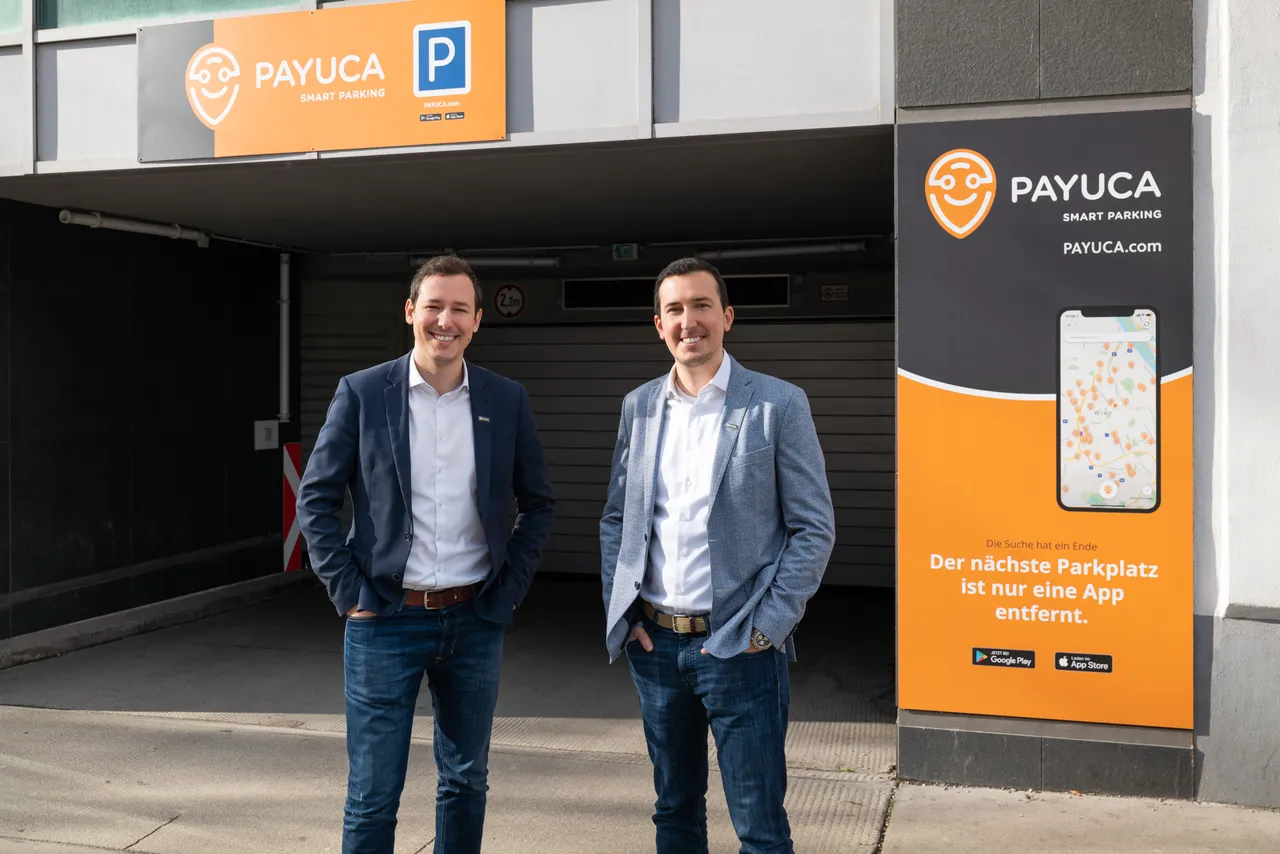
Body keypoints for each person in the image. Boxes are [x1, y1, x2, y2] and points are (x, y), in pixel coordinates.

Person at [297, 254, 555, 854]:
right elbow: (315, 499)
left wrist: (507, 592)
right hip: (384, 619)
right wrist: (349, 593)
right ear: (410, 311)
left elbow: (538, 503)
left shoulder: (506, 399)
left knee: (466, 781)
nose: (446, 320)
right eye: (434, 306)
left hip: (474, 619)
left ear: (478, 320)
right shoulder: (363, 393)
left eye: (460, 309)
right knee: (372, 793)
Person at [599, 257, 836, 854]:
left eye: (701, 305)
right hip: (655, 648)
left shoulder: (777, 404)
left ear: (727, 316)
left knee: (759, 827)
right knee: (674, 813)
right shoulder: (639, 407)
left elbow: (813, 529)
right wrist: (624, 615)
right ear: (659, 325)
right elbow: (619, 520)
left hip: (741, 649)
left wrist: (766, 628)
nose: (690, 321)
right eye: (675, 309)